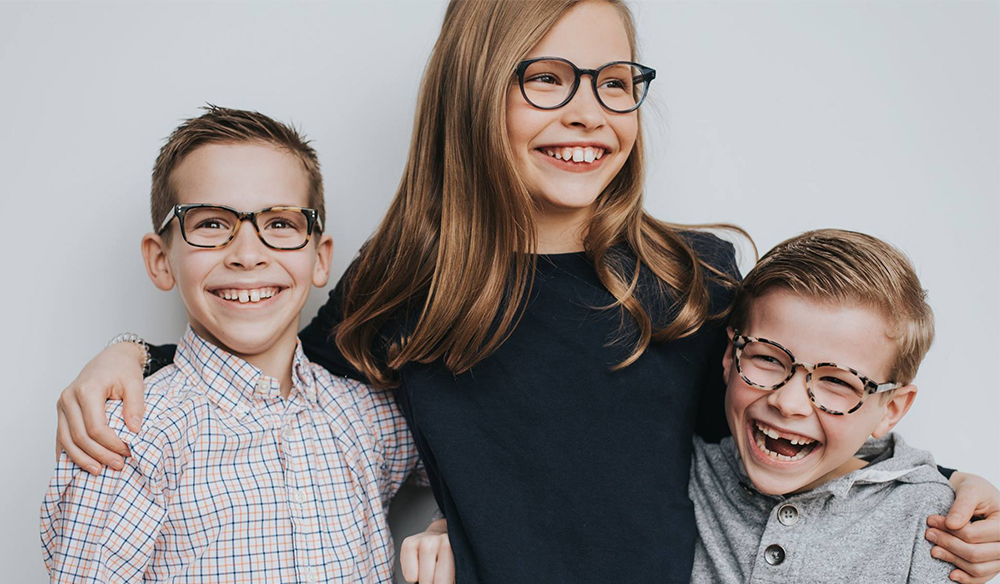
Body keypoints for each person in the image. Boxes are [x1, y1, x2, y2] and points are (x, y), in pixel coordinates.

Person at [52, 2, 1000, 583]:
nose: (587, 110)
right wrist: (136, 354)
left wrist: (955, 488)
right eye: (545, 80)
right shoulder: (404, 293)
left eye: (614, 81)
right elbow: (266, 368)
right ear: (475, 91)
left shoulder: (691, 279)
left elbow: (804, 404)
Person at [40, 106, 428, 583]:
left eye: (281, 223)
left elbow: (492, 461)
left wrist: (451, 526)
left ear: (321, 258)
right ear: (161, 260)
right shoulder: (126, 438)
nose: (247, 254)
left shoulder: (367, 418)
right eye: (211, 224)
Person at [688, 229, 955, 583]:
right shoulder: (685, 473)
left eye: (837, 381)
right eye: (768, 358)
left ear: (892, 410)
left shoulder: (932, 523)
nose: (787, 402)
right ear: (730, 354)